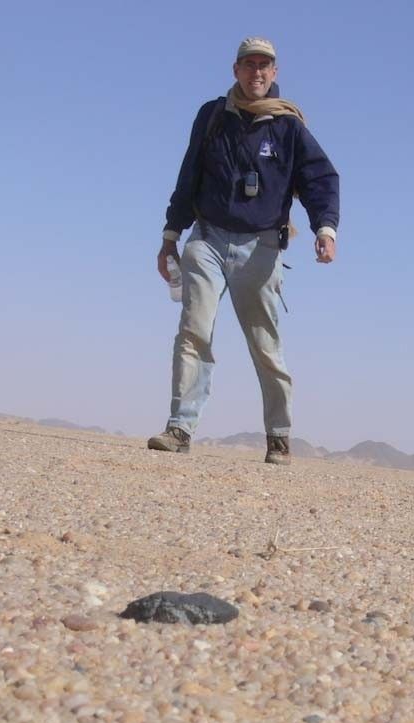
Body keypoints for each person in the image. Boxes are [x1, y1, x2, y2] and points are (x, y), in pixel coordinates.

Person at [148, 37, 340, 465]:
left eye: (264, 66)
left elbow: (320, 179)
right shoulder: (213, 116)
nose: (256, 72)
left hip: (261, 246)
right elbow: (188, 175)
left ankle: (278, 436)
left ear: (274, 73)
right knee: (193, 330)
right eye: (249, 64)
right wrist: (170, 236)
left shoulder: (288, 126)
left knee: (265, 344)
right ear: (235, 70)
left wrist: (325, 228)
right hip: (208, 239)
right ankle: (180, 428)